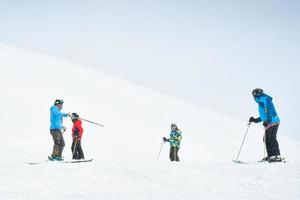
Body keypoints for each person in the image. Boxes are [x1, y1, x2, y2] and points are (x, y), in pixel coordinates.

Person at [249, 88, 282, 162]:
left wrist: (267, 120)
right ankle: (271, 156)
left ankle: (276, 156)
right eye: (253, 95)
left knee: (271, 138)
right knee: (266, 139)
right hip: (268, 123)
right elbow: (263, 116)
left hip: (273, 122)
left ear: (258, 94)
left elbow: (271, 111)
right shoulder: (261, 102)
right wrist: (255, 120)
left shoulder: (265, 100)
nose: (254, 97)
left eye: (255, 94)